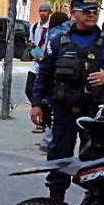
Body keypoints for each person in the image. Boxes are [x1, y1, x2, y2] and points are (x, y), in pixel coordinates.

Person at [30, 0, 104, 202]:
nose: (91, 15)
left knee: (97, 162)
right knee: (59, 158)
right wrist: (36, 104)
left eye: (95, 11)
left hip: (94, 113)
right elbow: (43, 74)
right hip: (63, 111)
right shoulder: (57, 40)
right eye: (86, 11)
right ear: (73, 13)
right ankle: (55, 204)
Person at [37, 10, 70, 153]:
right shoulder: (68, 33)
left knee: (52, 107)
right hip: (62, 77)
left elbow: (40, 53)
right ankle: (50, 138)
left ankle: (48, 139)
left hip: (49, 75)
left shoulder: (53, 34)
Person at [25, 2, 53, 132]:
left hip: (44, 63)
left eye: (45, 11)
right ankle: (40, 112)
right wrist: (32, 47)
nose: (42, 13)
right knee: (29, 90)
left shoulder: (51, 29)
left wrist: (39, 52)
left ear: (49, 12)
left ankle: (43, 121)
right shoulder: (34, 27)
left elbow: (47, 47)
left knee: (43, 93)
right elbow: (33, 43)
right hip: (35, 63)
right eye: (40, 10)